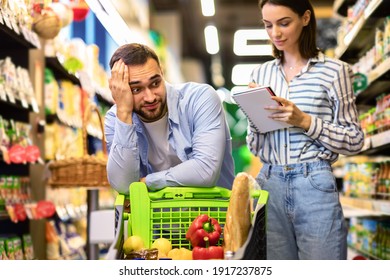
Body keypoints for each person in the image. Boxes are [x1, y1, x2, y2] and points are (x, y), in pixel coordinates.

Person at [247, 0, 364, 259]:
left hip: (315, 183)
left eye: (284, 23)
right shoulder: (261, 73)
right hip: (270, 183)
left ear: (306, 18)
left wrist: (305, 121)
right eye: (268, 25)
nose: (275, 33)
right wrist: (255, 119)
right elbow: (254, 147)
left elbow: (355, 140)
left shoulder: (334, 71)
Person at [104, 43, 235, 195]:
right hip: (155, 218)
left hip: (213, 213)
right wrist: (124, 112)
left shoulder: (199, 99)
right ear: (120, 89)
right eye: (136, 89)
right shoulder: (116, 118)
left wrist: (148, 182)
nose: (150, 97)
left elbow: (206, 170)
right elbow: (123, 185)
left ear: (162, 72)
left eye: (155, 83)